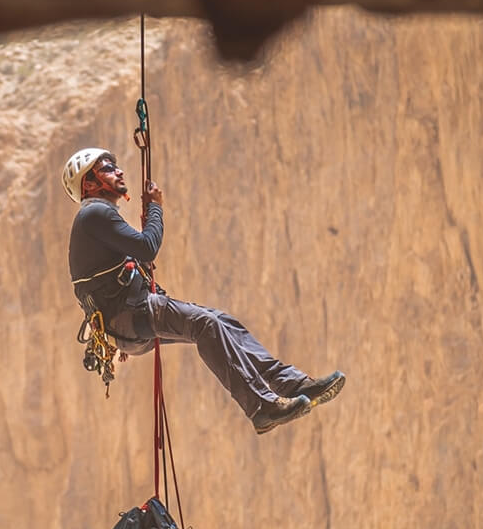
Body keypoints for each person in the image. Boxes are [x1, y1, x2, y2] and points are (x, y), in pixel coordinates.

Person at [64, 147, 344, 434]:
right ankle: (261, 407)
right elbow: (147, 247)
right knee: (205, 324)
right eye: (108, 168)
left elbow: (126, 264)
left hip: (128, 322)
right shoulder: (95, 213)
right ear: (89, 184)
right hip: (131, 316)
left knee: (222, 322)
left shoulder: (95, 220)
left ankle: (293, 384)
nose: (119, 171)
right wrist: (156, 207)